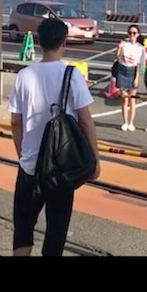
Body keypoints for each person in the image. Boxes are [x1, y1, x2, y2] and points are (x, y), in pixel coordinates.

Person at [9, 16, 100, 256]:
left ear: (39, 42)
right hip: (62, 168)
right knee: (56, 231)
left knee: (23, 228)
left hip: (29, 167)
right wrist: (95, 159)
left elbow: (15, 122)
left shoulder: (24, 75)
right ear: (64, 42)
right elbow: (85, 120)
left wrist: (22, 153)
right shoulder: (72, 75)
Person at [114, 25, 144, 131]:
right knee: (124, 98)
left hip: (132, 71)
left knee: (132, 99)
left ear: (138, 34)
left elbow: (139, 65)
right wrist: (119, 47)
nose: (132, 35)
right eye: (130, 33)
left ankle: (131, 123)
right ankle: (125, 122)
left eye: (134, 33)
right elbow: (117, 57)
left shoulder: (140, 47)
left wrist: (136, 78)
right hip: (122, 70)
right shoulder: (124, 44)